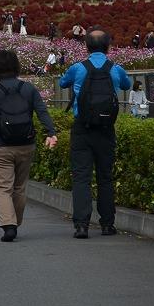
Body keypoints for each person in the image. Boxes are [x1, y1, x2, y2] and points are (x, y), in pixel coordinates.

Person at [0, 49, 58, 242]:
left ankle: (9, 225)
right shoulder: (28, 89)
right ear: (16, 66)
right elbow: (42, 112)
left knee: (3, 187)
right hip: (26, 144)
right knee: (20, 187)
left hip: (0, 146)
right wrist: (51, 132)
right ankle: (15, 222)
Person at [58, 28, 132, 238]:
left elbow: (63, 83)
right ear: (108, 47)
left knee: (81, 177)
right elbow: (126, 84)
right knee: (105, 177)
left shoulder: (78, 68)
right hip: (106, 129)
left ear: (86, 46)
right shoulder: (115, 69)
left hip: (82, 128)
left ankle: (82, 225)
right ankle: (107, 224)